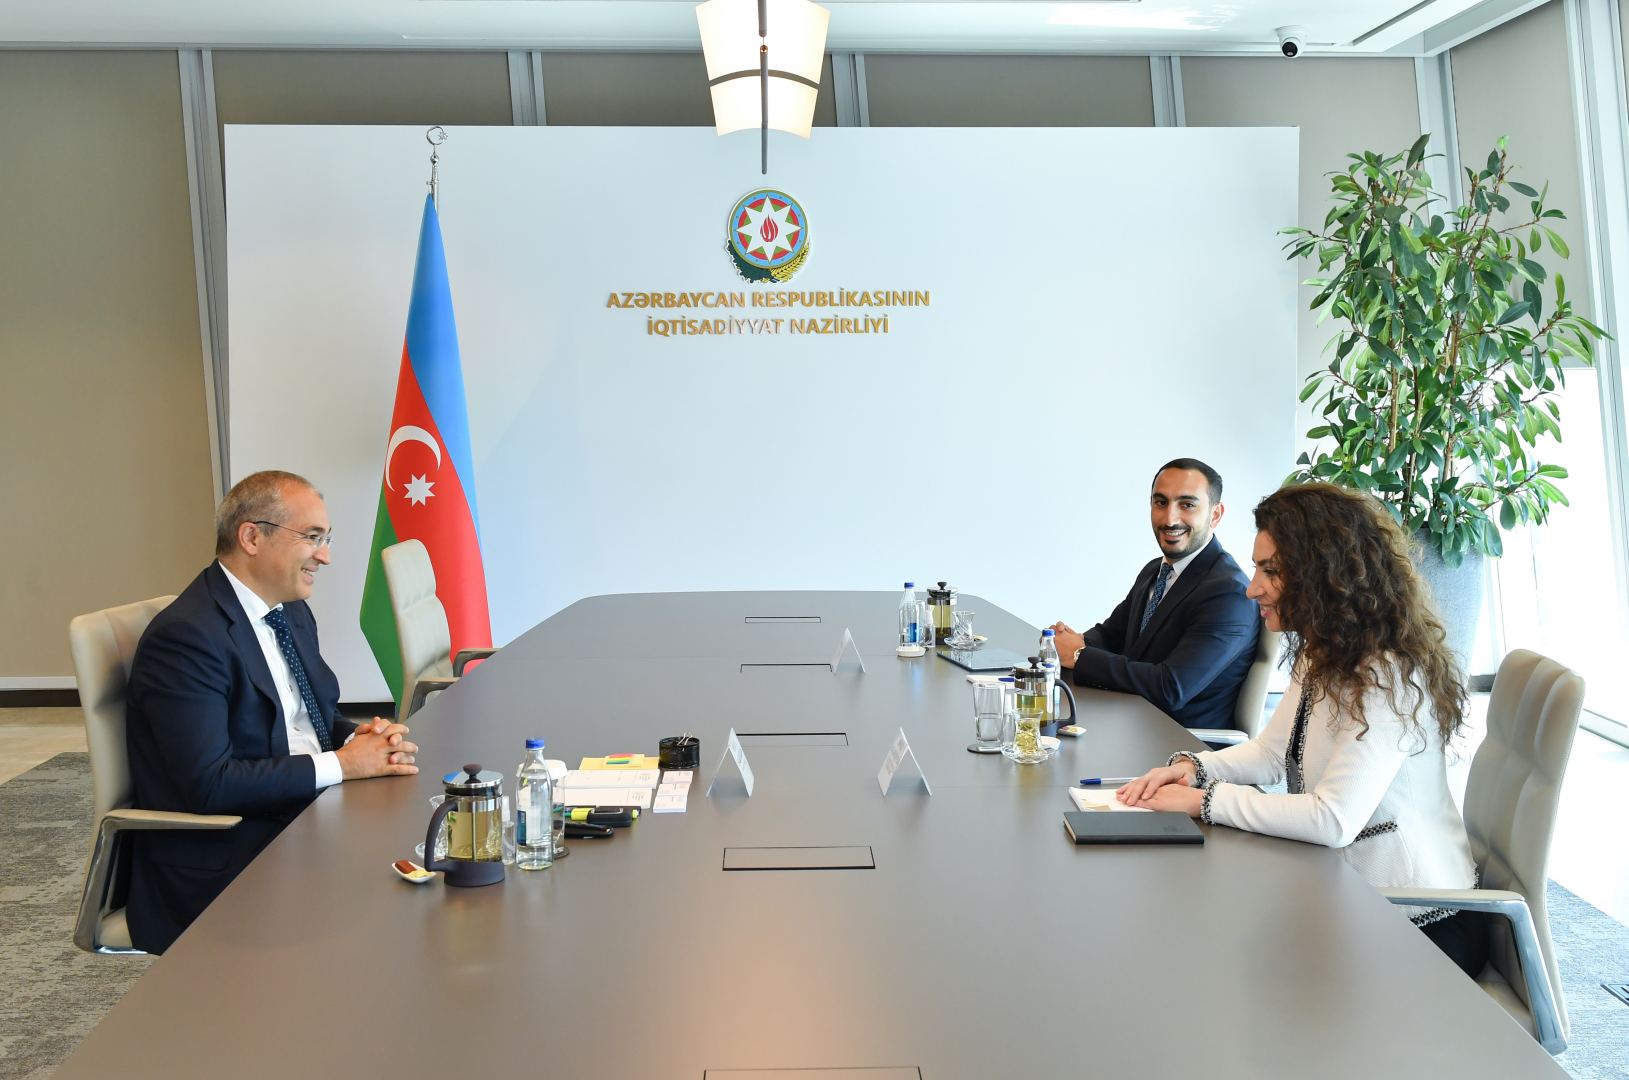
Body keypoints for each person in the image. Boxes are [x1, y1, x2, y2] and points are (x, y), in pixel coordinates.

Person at [1116, 481, 1487, 975]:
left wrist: (1204, 801)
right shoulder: (1325, 649)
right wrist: (1194, 768)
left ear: (1324, 573)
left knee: (1222, 956)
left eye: (1271, 571)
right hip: (1346, 891)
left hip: (1419, 923)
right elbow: (1272, 754)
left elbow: (1333, 819)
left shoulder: (1389, 673)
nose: (1252, 588)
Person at [124, 470, 419, 954]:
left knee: (427, 834)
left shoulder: (288, 609)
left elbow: (306, 720)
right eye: (312, 537)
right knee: (398, 901)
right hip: (228, 855)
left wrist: (358, 738)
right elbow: (210, 784)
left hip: (295, 815)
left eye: (326, 539)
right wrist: (344, 765)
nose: (325, 556)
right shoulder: (187, 638)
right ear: (251, 537)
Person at [1050, 457, 1260, 729]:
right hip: (1130, 722)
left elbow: (1171, 687)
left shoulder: (1229, 594)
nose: (1170, 519)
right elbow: (1111, 636)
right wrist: (1064, 644)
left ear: (1215, 515)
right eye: (1161, 503)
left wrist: (1079, 656)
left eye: (1187, 505)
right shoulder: (1156, 571)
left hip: (1180, 742)